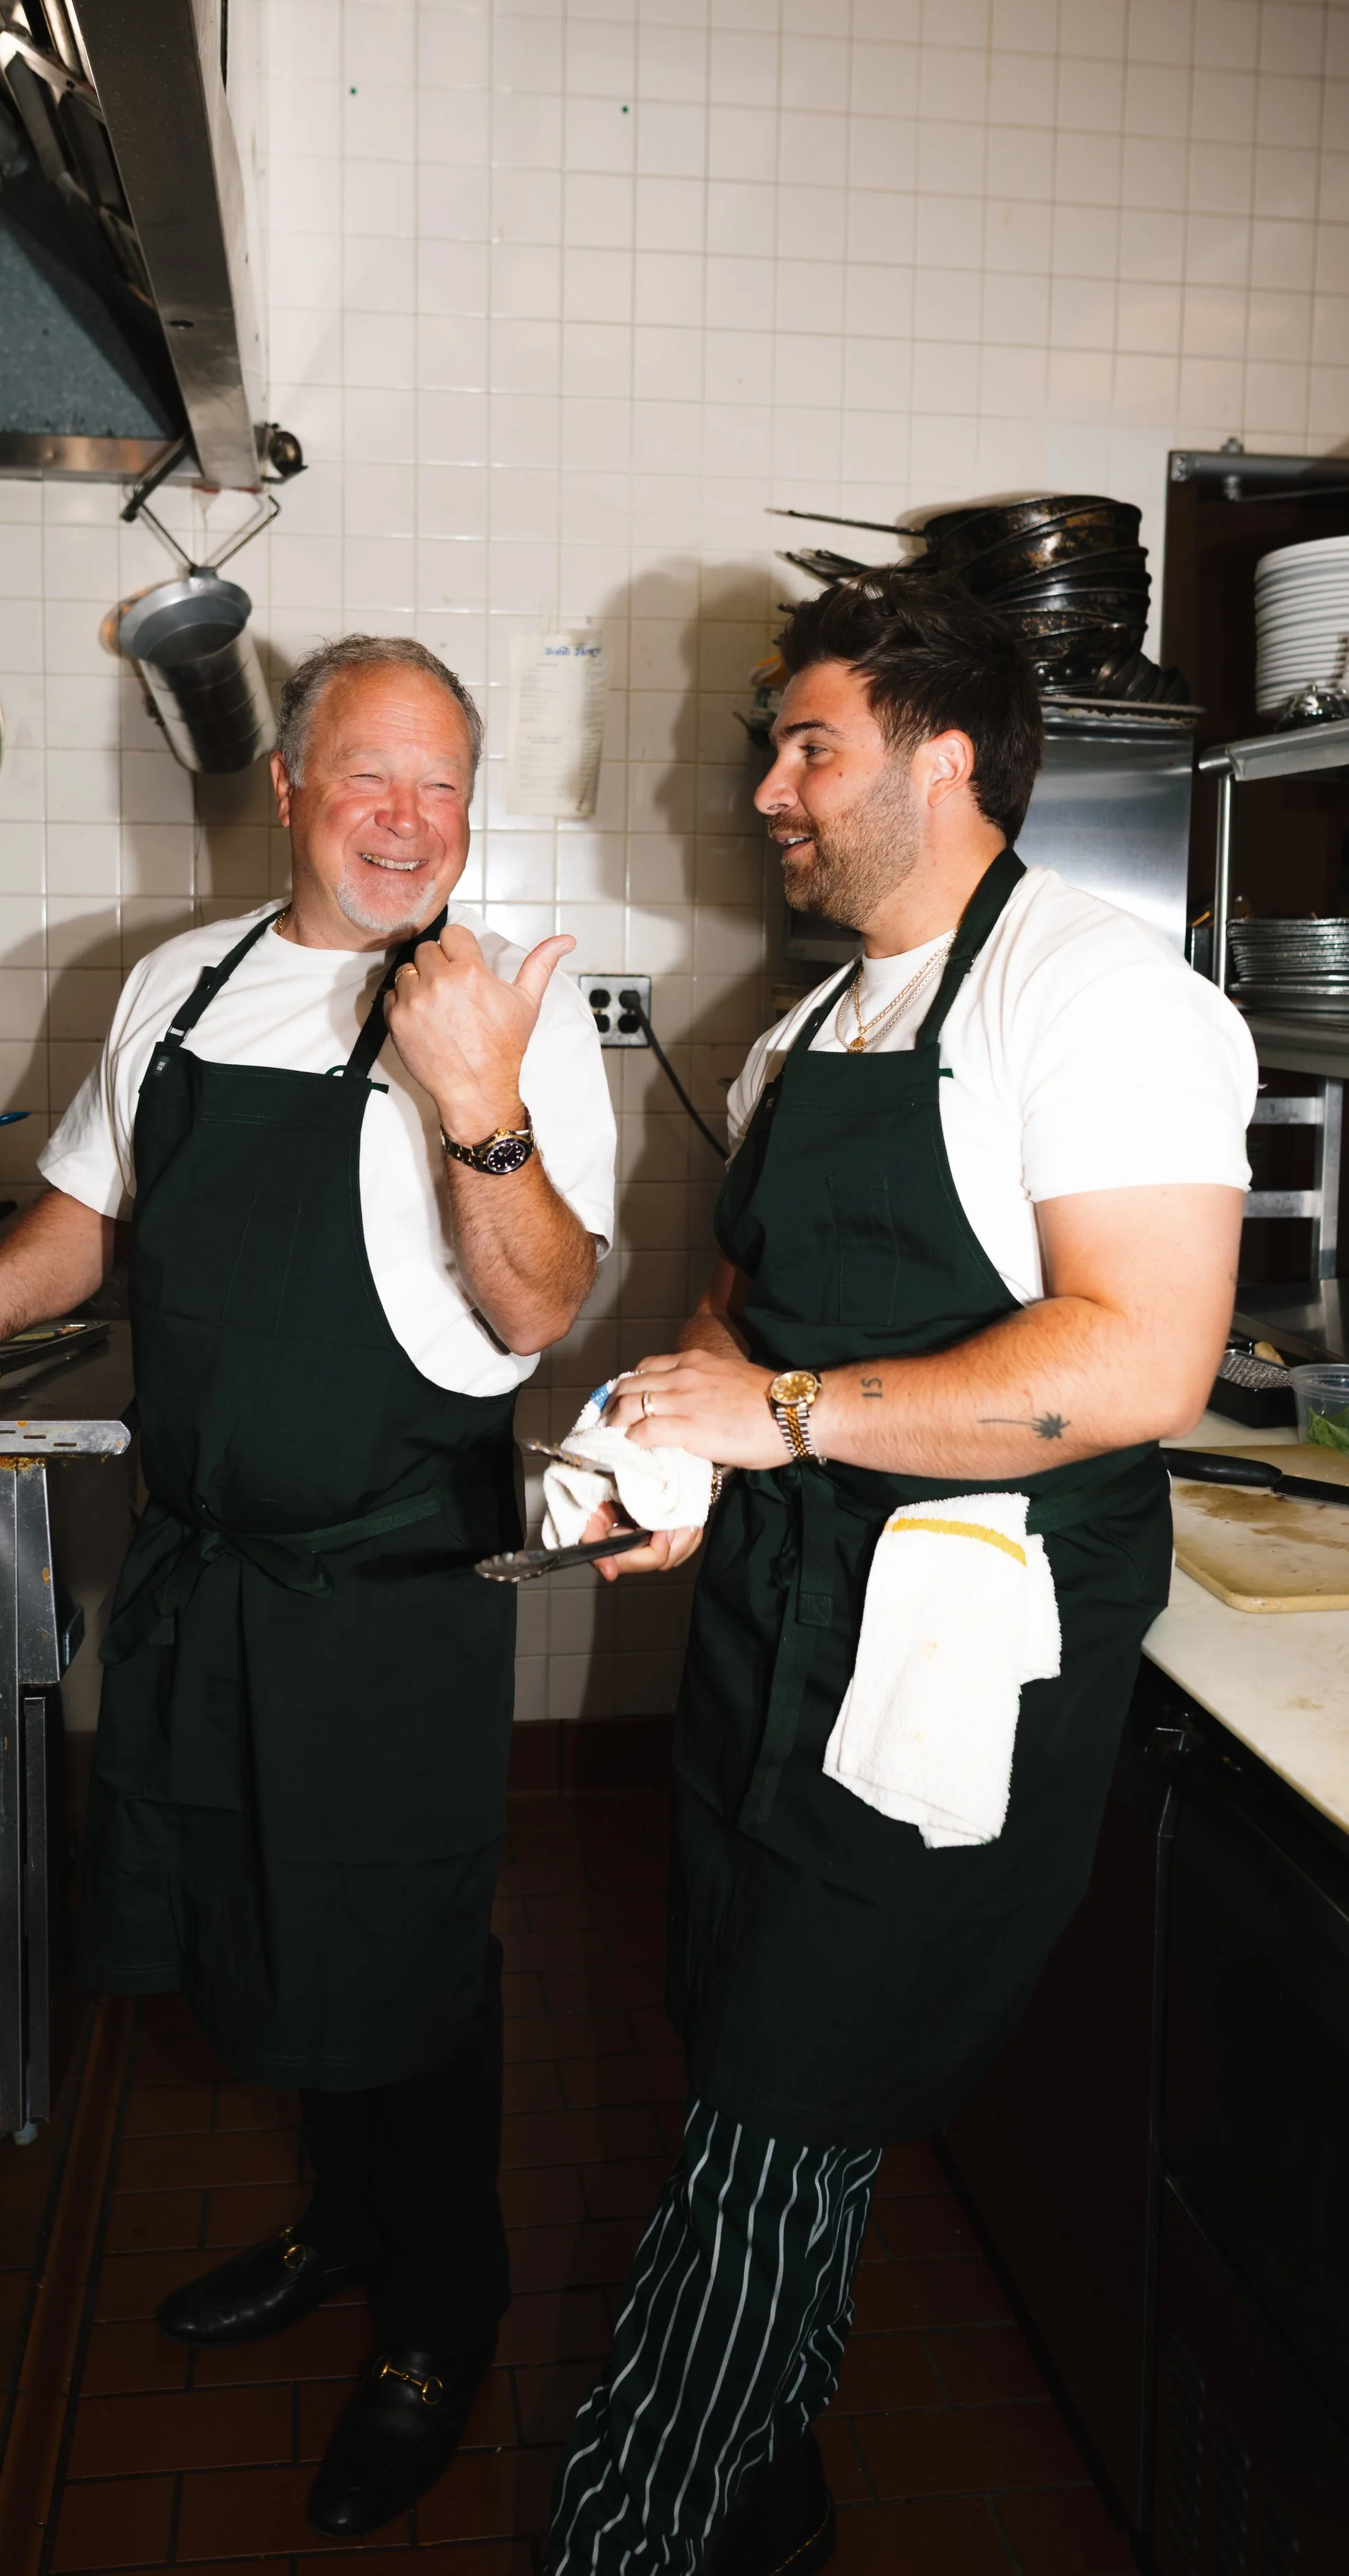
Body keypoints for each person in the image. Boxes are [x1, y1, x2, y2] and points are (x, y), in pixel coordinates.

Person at [0, 634, 617, 2538]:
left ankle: (442, 2321)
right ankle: (339, 2230)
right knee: (266, 1916)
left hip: (391, 1583)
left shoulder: (493, 1007)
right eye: (369, 775)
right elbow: (86, 1218)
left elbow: (536, 1300)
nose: (407, 820)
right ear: (283, 787)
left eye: (440, 782)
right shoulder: (173, 987)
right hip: (206, 1574)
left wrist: (476, 1101)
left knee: (410, 1972)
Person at [546, 570, 1256, 2576]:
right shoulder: (794, 1038)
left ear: (945, 758)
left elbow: (1135, 1355)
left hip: (957, 1647)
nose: (767, 787)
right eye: (773, 743)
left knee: (781, 2094)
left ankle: (632, 2533)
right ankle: (769, 2488)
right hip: (774, 1622)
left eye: (807, 744)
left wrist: (776, 1421)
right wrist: (670, 1445)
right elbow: (734, 1309)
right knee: (744, 2036)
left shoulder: (1096, 998)